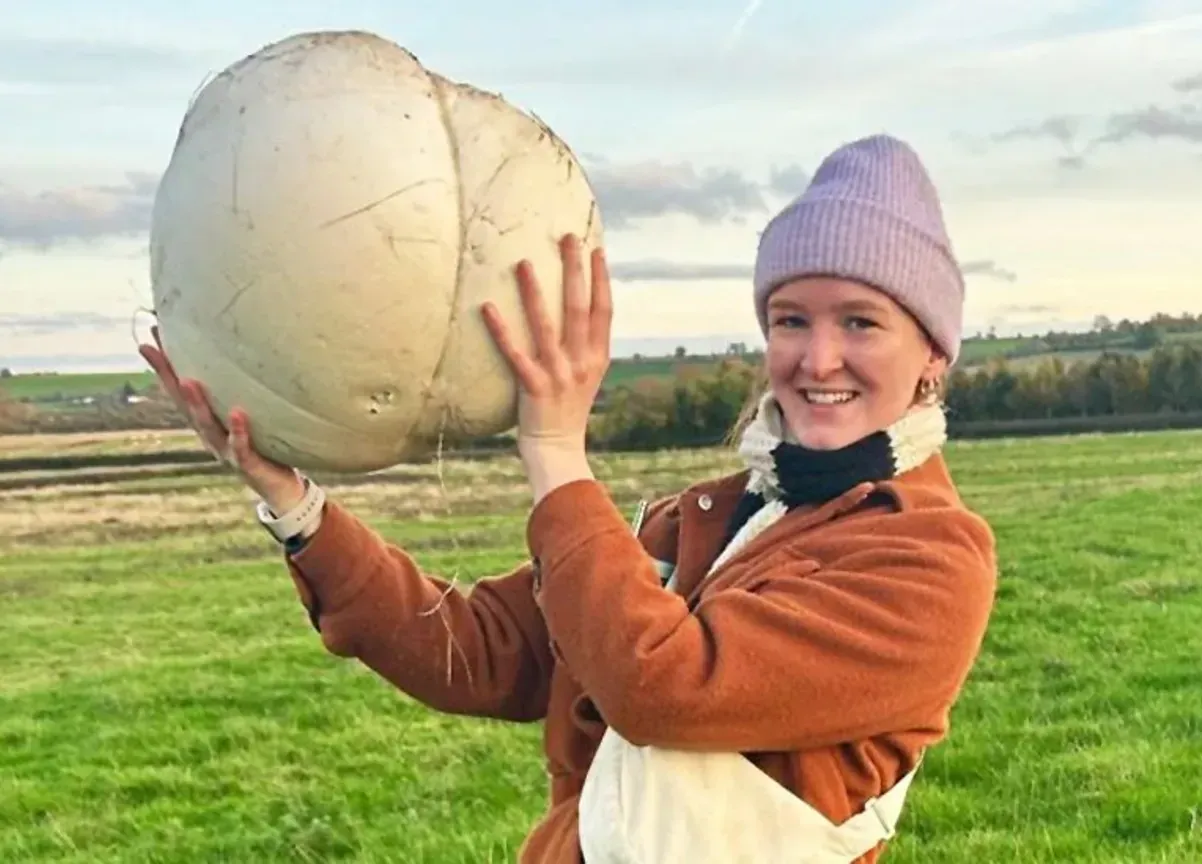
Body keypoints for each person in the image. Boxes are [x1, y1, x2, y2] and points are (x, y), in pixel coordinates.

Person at [140, 133, 997, 863]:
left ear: (932, 354)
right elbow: (481, 650)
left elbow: (663, 686)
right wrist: (294, 503)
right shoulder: (705, 517)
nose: (816, 360)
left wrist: (554, 453)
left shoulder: (928, 558)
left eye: (860, 321)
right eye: (790, 319)